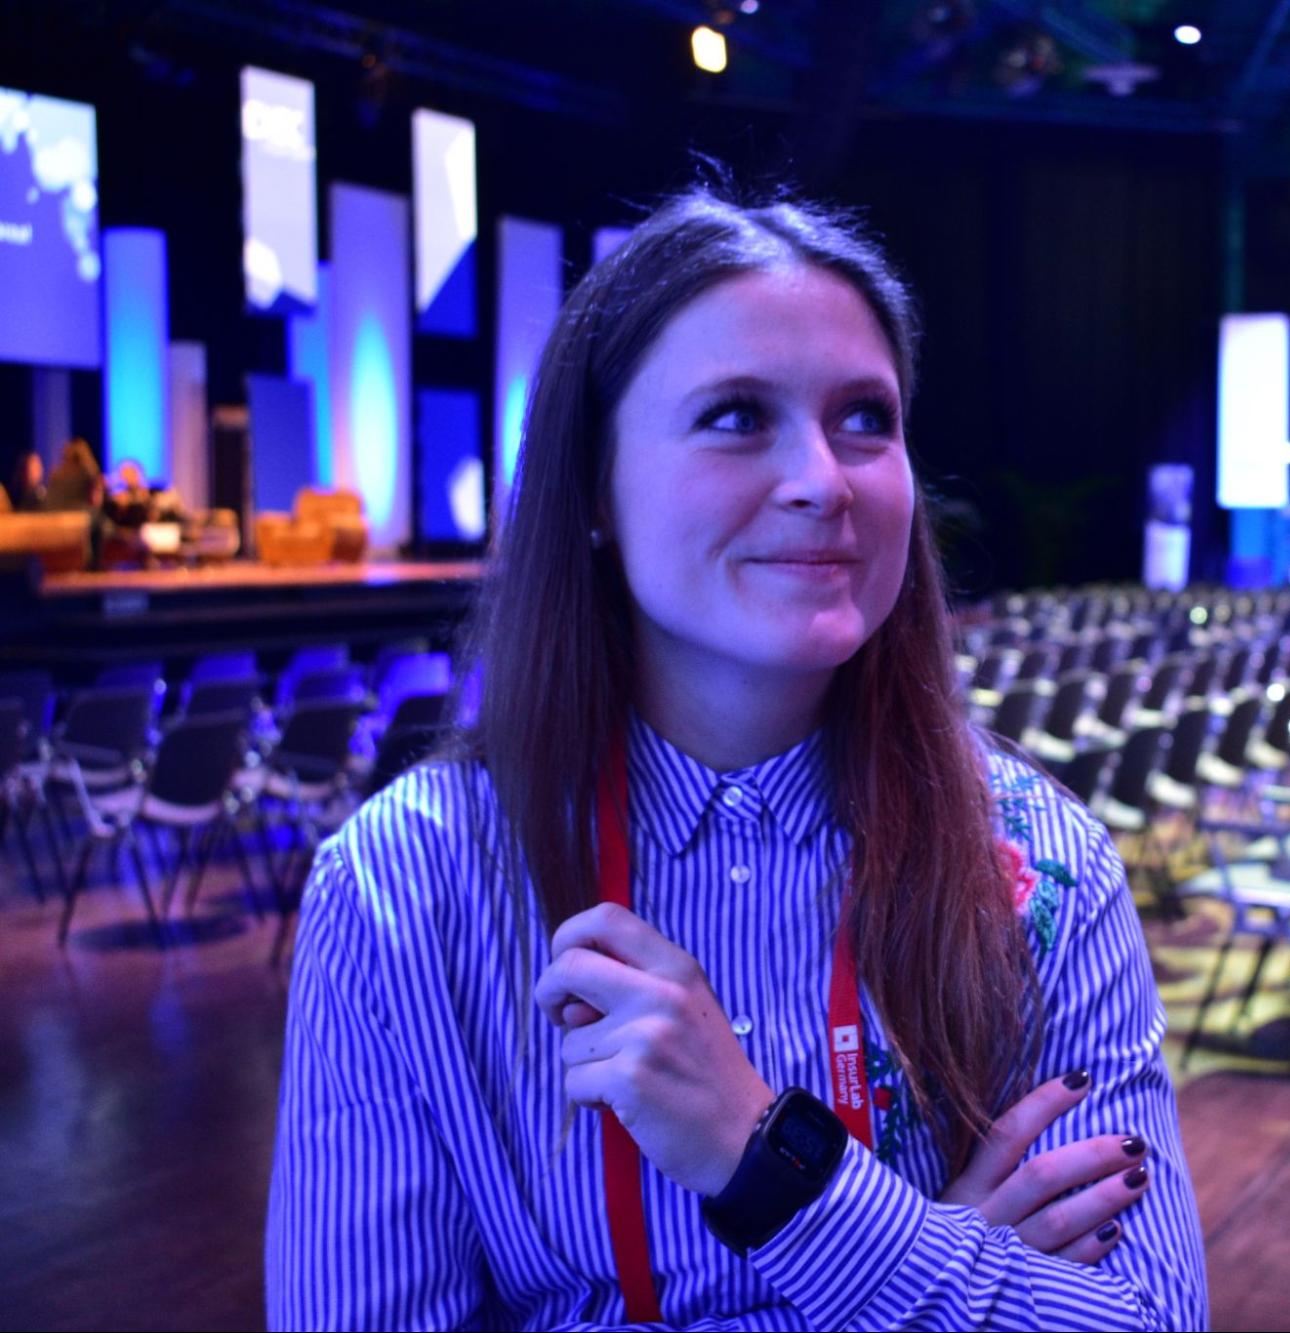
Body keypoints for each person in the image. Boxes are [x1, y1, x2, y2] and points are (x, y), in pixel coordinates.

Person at [265, 185, 1208, 1331]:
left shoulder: (1042, 861)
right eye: (734, 416)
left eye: (866, 417)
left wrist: (773, 1170)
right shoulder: (405, 887)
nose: (822, 478)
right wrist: (932, 1260)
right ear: (594, 489)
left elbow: (1148, 1319)